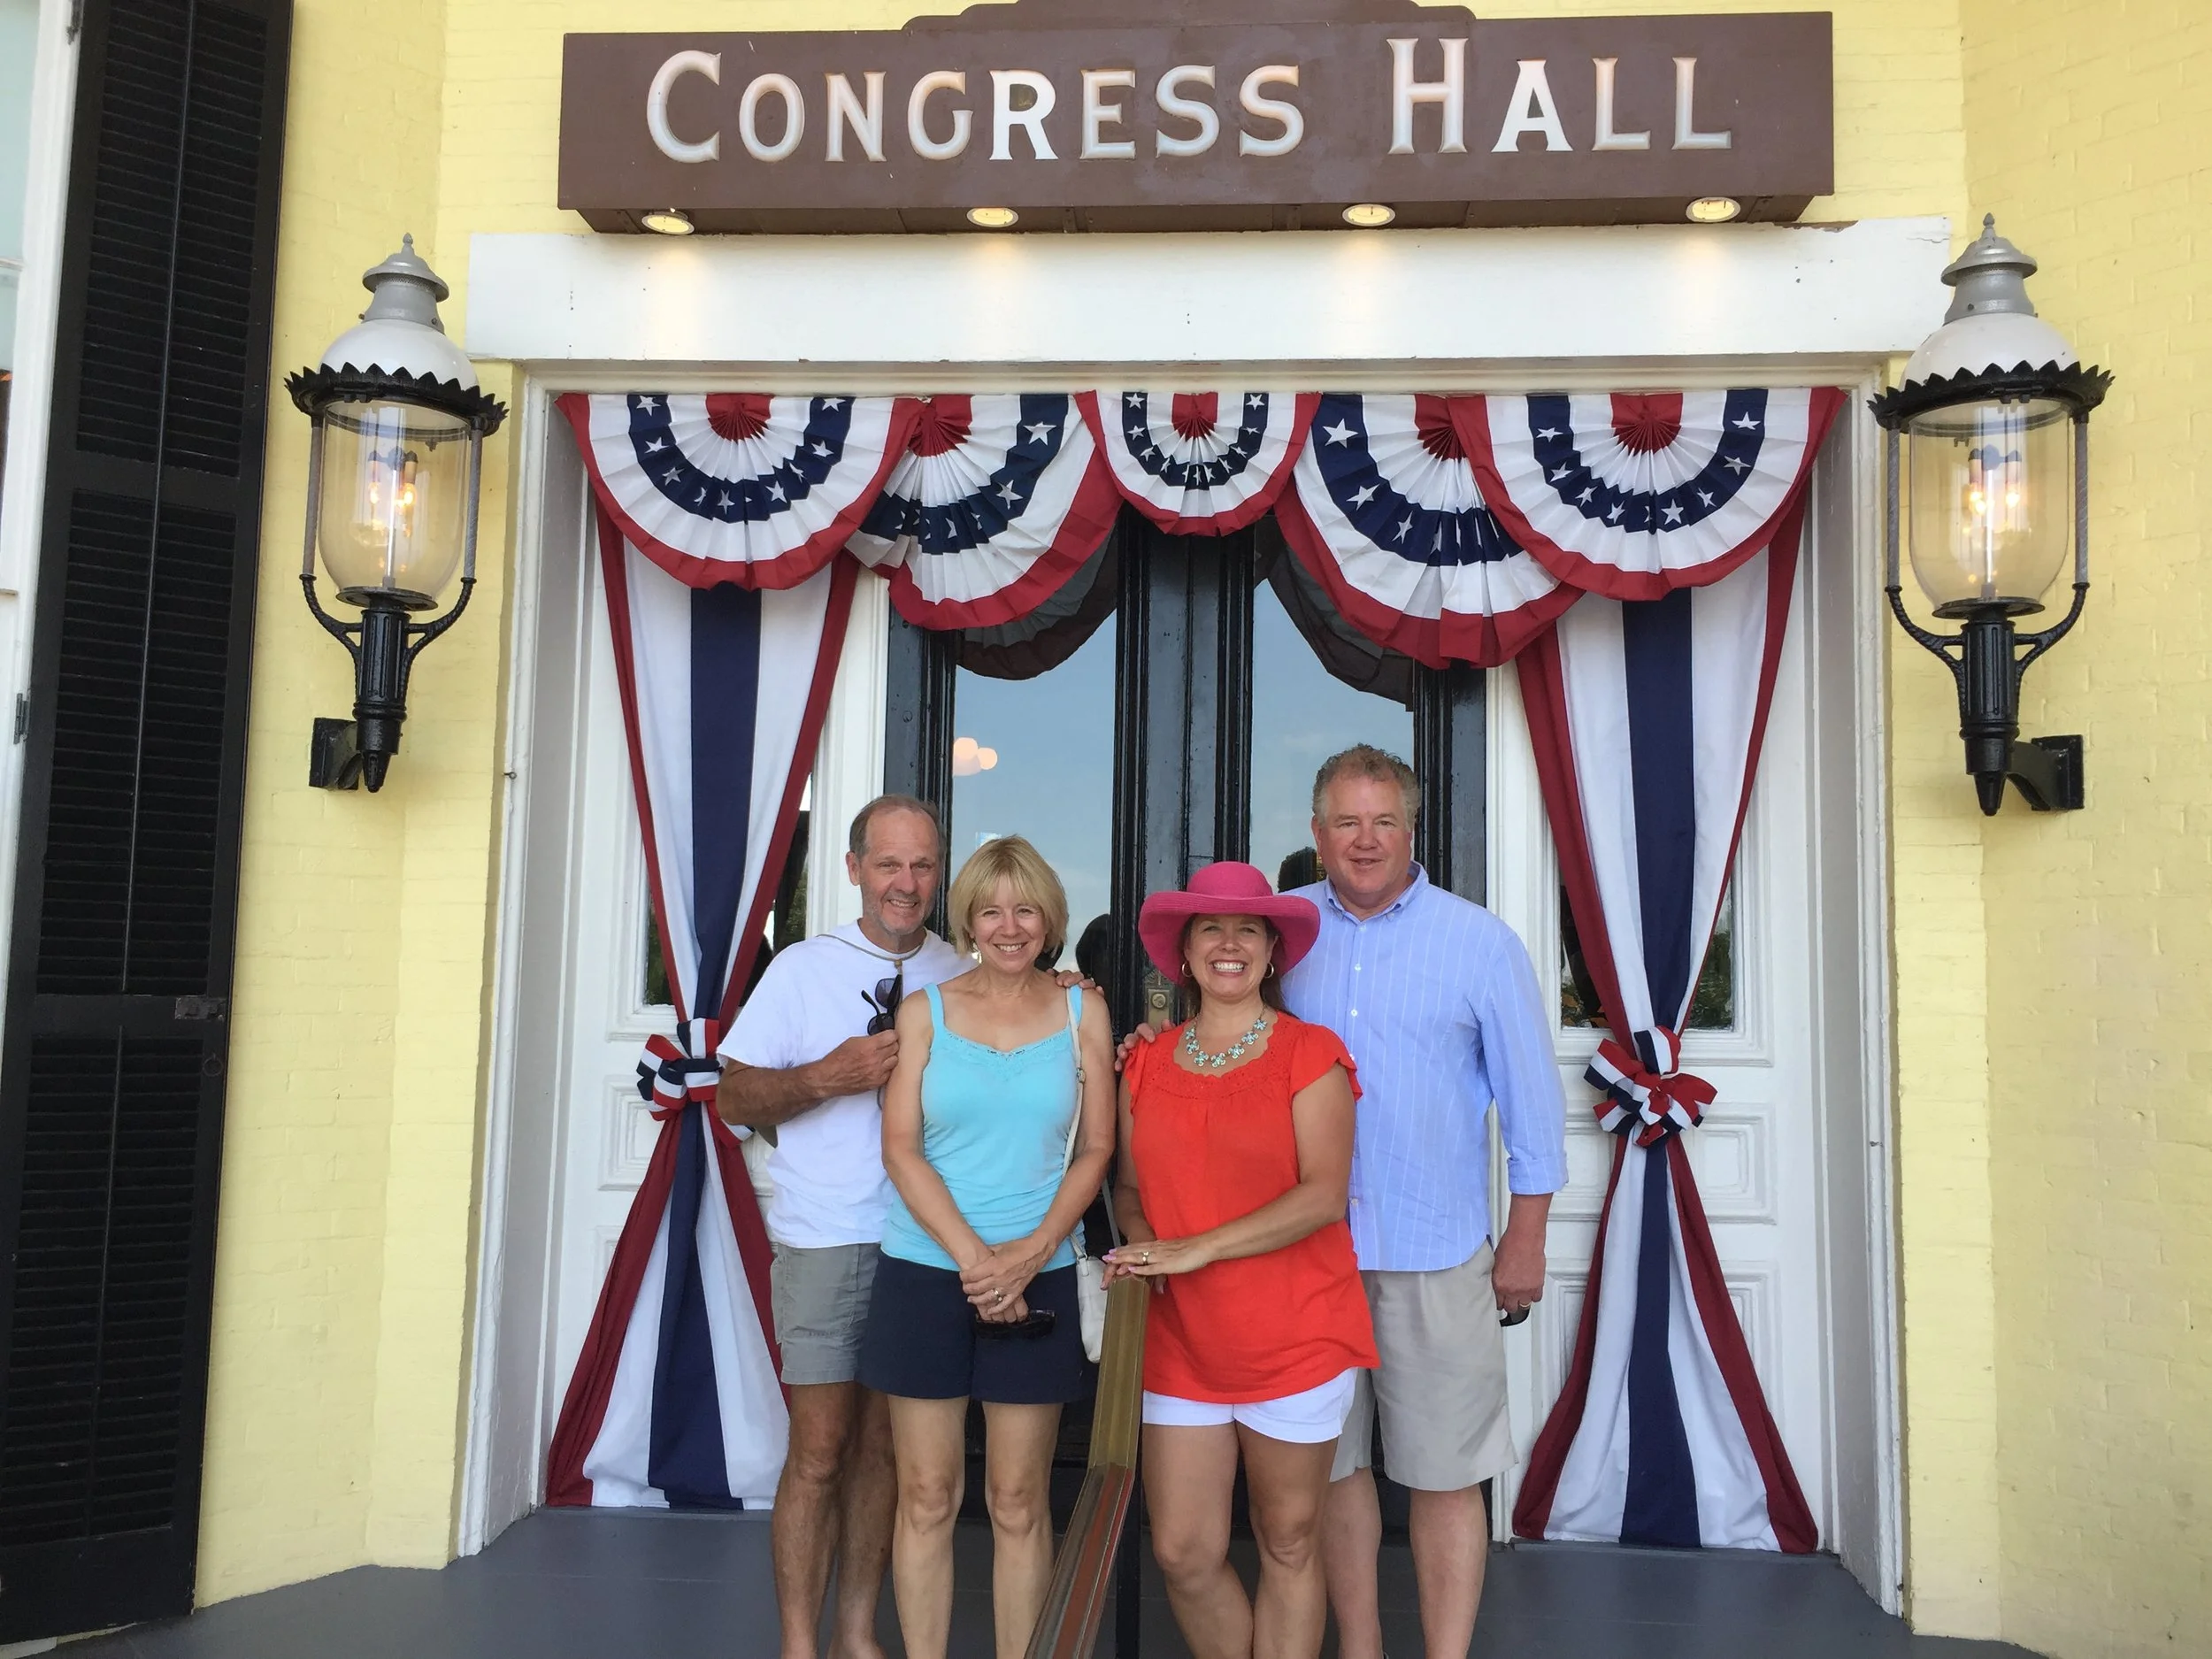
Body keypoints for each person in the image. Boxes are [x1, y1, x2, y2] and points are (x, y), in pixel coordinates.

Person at [1290, 746, 1567, 1659]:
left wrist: (1523, 1240)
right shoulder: (1282, 936)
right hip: (1309, 1257)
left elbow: (1532, 1106)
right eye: (1345, 822)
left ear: (1411, 829)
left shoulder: (1478, 941)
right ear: (1317, 833)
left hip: (1436, 1251)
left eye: (1382, 821)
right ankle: (1361, 1646)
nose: (1364, 841)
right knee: (1332, 1471)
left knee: (1446, 1476)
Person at [1102, 862, 1378, 1659]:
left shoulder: (1311, 1053)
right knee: (1183, 1551)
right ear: (1184, 953)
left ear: (1271, 951)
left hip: (1295, 1336)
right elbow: (1127, 1186)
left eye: (1247, 929)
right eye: (1210, 929)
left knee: (1288, 1539)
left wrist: (1197, 1247)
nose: (1229, 944)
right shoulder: (1145, 1062)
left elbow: (1323, 1195)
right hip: (1182, 1340)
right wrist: (1144, 1241)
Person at [716, 795, 966, 1659]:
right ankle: (798, 1643)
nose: (906, 882)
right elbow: (733, 1097)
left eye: (923, 865)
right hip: (825, 1236)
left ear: (940, 873)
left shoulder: (961, 973)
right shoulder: (800, 969)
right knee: (819, 1450)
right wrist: (823, 1078)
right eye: (888, 864)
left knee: (884, 1457)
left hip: (923, 1243)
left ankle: (856, 1633)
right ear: (854, 868)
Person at [857, 836, 1116, 1659]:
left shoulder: (1084, 1010)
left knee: (1017, 1499)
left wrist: (1030, 1254)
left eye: (1026, 908)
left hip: (1038, 1277)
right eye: (992, 910)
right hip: (929, 1272)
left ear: (1049, 920)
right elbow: (901, 1147)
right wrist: (977, 1258)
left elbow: (1098, 1150)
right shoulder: (923, 1011)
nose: (1009, 926)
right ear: (968, 919)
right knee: (927, 1494)